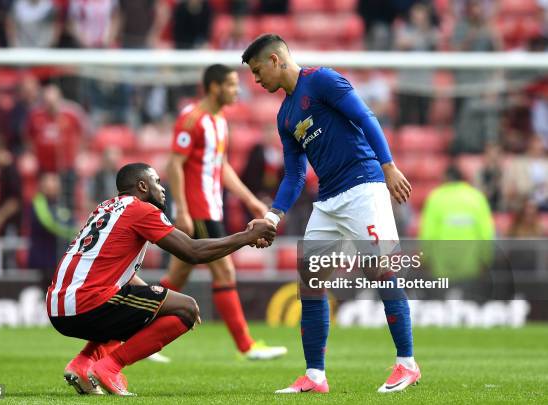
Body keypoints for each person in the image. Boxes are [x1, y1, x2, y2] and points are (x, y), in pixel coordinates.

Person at [242, 34, 418, 394]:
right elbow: (293, 175)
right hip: (328, 201)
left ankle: (407, 364)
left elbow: (365, 117)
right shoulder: (284, 115)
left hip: (363, 187)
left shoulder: (321, 80)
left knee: (382, 272)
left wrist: (388, 166)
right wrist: (273, 216)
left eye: (258, 71)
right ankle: (315, 375)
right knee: (311, 284)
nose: (257, 80)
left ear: (275, 60)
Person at [47, 162, 276, 396]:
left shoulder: (105, 208)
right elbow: (192, 251)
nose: (162, 188)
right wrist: (247, 237)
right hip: (88, 303)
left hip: (58, 307)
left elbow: (109, 267)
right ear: (142, 185)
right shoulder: (141, 210)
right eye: (157, 182)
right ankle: (110, 367)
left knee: (141, 310)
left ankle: (83, 364)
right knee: (186, 309)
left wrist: (155, 303)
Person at [160, 64, 287, 360]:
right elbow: (174, 165)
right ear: (215, 87)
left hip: (212, 206)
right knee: (225, 270)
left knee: (176, 278)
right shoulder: (192, 119)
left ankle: (125, 337)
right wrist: (182, 210)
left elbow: (222, 167)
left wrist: (250, 200)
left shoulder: (219, 121)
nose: (236, 90)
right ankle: (246, 346)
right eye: (231, 85)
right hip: (198, 209)